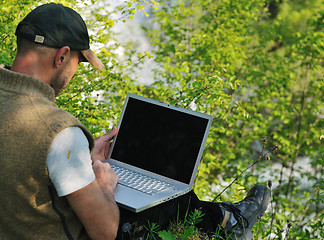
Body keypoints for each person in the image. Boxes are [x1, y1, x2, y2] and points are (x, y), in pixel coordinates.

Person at [0, 3, 271, 240]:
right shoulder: (56, 130)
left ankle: (229, 219)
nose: (73, 74)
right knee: (171, 197)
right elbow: (104, 232)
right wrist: (103, 185)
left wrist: (85, 160)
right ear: (62, 56)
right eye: (77, 63)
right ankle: (231, 220)